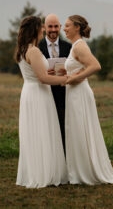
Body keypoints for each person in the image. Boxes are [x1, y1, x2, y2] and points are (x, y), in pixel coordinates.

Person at [64, 15, 113, 185]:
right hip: (74, 93)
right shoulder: (75, 46)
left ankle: (85, 172)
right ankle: (78, 170)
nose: (63, 29)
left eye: (67, 26)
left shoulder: (79, 46)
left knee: (81, 129)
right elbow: (80, 67)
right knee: (76, 130)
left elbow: (95, 66)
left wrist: (75, 78)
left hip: (79, 93)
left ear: (77, 28)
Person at [15, 16, 68, 189]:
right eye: (41, 28)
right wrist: (66, 79)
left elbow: (39, 74)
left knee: (35, 132)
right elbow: (43, 79)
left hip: (29, 92)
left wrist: (49, 73)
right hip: (39, 94)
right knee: (43, 131)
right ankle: (45, 173)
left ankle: (37, 170)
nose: (43, 31)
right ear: (35, 30)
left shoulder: (22, 49)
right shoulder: (34, 51)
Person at [39, 14, 71, 154]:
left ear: (60, 27)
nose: (53, 29)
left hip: (64, 94)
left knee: (63, 128)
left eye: (56, 26)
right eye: (50, 26)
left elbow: (76, 68)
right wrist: (45, 74)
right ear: (44, 27)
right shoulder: (37, 47)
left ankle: (64, 159)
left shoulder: (68, 47)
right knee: (45, 129)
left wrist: (67, 72)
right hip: (43, 93)